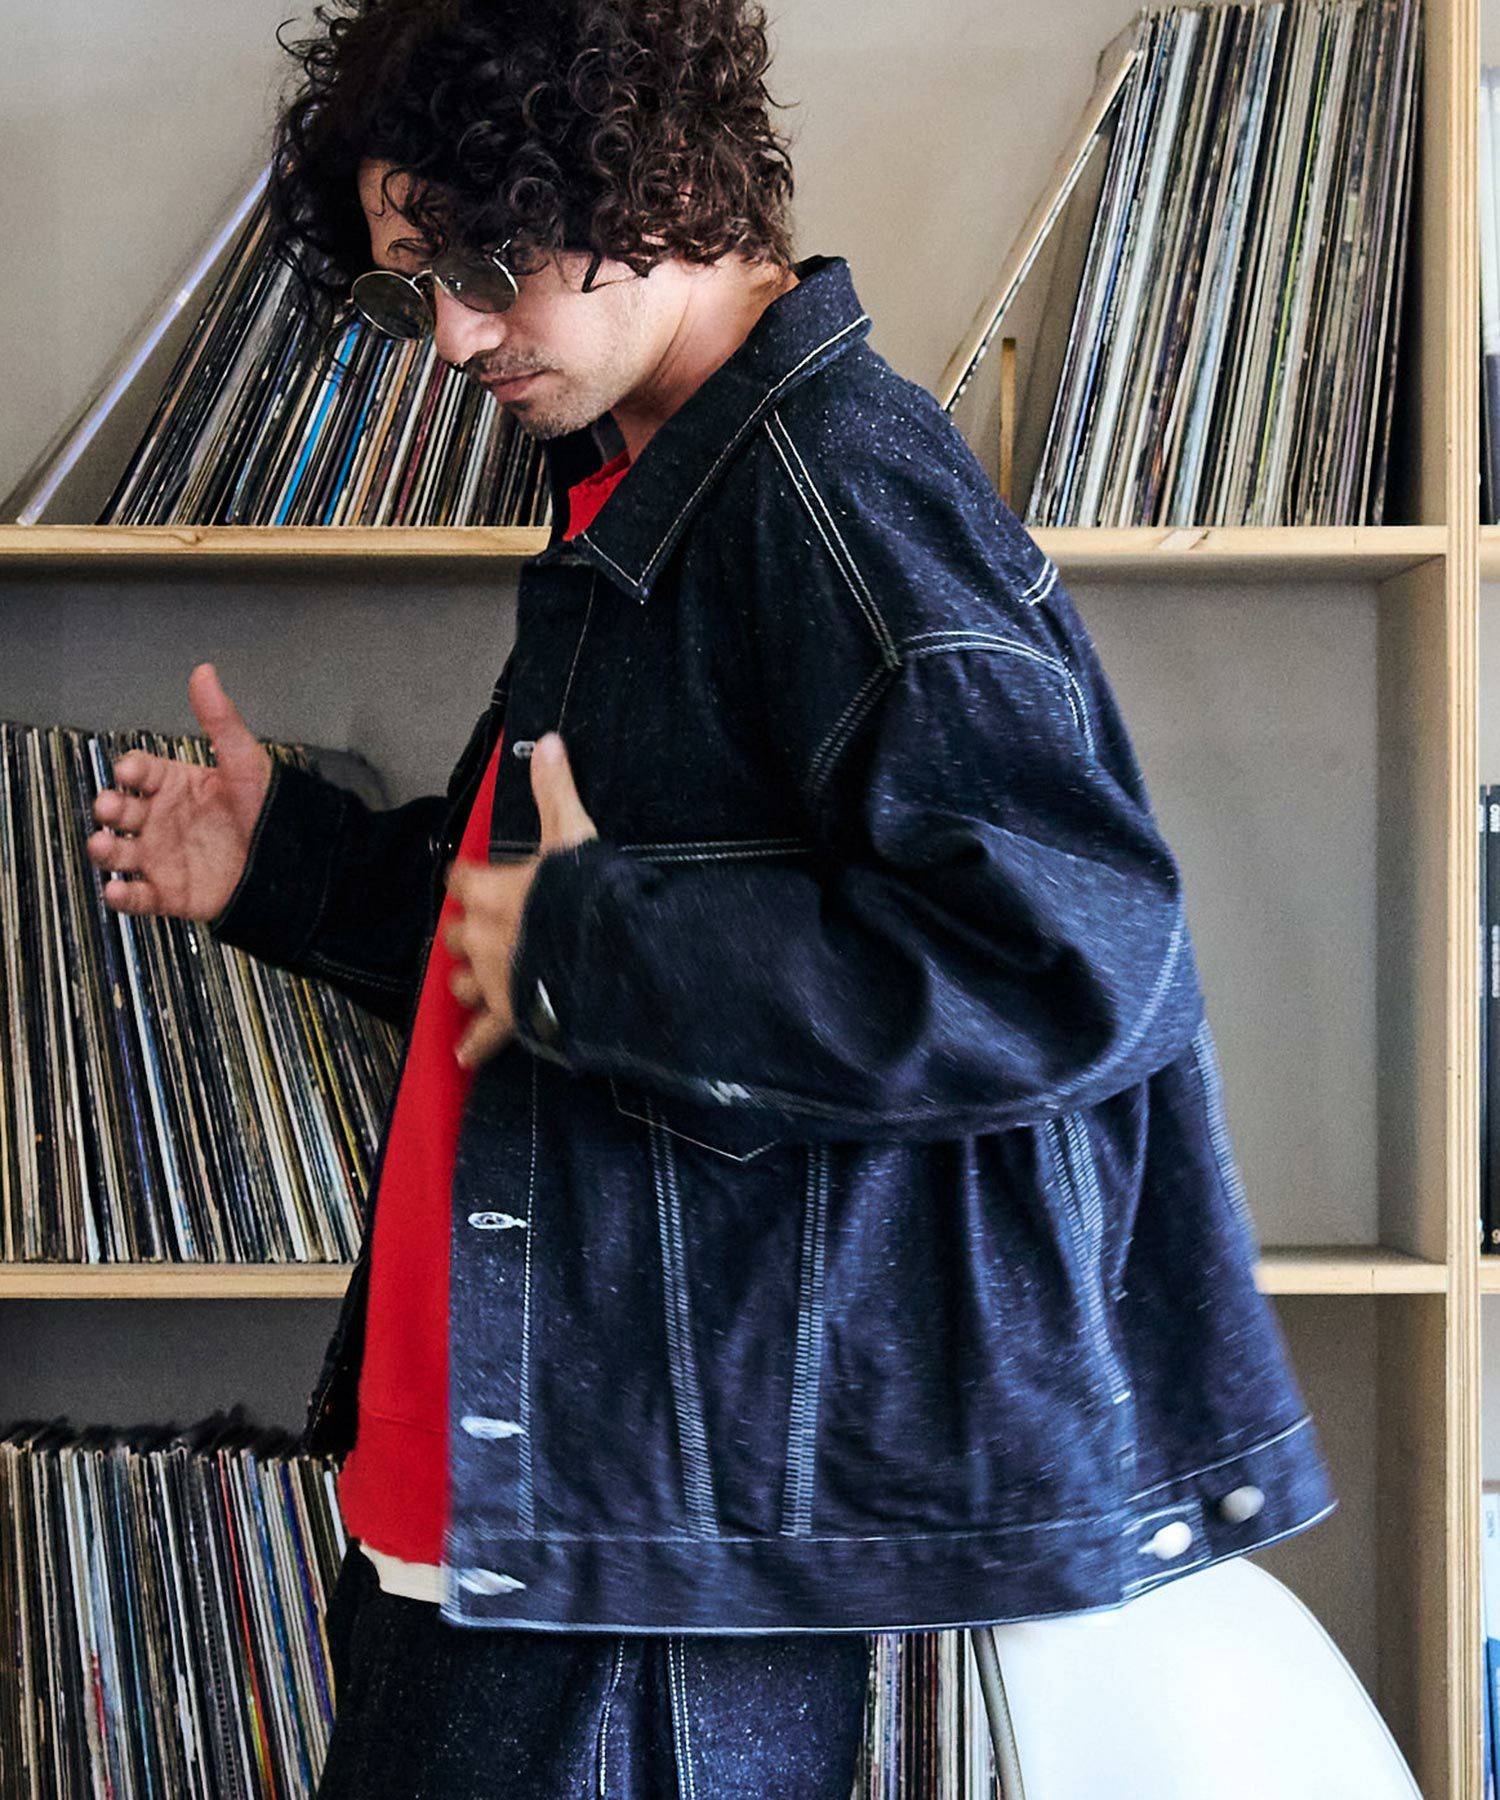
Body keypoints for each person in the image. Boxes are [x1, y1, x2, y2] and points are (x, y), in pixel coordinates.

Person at [84, 0, 1337, 1794]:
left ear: (653, 187)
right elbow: (536, 940)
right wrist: (288, 866)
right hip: (512, 1513)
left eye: (489, 267)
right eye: (414, 288)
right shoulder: (643, 488)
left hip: (629, 1575)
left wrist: (603, 952)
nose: (453, 338)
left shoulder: (832, 489)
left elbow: (1074, 954)